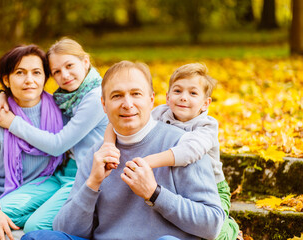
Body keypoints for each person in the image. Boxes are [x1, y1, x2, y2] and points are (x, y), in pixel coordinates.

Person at [22, 60, 225, 240]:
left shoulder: (183, 146)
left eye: (136, 94)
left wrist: (154, 194)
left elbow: (212, 225)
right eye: (117, 96)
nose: (127, 104)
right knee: (35, 237)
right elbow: (67, 229)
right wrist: (92, 183)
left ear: (151, 99)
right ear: (104, 104)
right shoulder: (99, 153)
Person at [0, 38, 108, 233]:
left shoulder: (96, 98)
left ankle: (77, 223)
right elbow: (28, 88)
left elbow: (58, 145)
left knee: (36, 226)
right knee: (1, 209)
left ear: (85, 62)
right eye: (56, 71)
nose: (65, 75)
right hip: (60, 175)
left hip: (84, 177)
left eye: (70, 65)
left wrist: (12, 122)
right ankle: (49, 213)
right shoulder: (66, 97)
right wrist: (2, 94)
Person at [104, 63, 240, 239]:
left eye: (193, 93)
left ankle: (232, 229)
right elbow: (117, 122)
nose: (183, 97)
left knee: (214, 234)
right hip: (173, 180)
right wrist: (108, 145)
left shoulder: (207, 126)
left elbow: (188, 151)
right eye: (177, 91)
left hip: (211, 187)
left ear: (205, 103)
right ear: (167, 97)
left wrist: (147, 161)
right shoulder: (160, 113)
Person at [0, 44, 64, 240]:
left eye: (36, 72)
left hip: (44, 203)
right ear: (6, 79)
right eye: (20, 73)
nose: (29, 80)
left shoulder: (63, 113)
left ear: (45, 77)